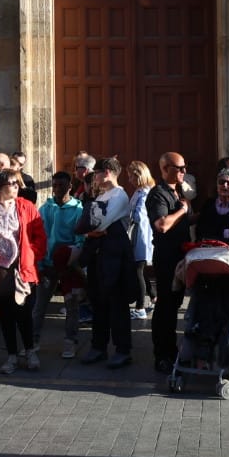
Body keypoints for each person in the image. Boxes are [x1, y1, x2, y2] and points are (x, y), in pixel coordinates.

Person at [0, 168, 46, 374]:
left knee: (24, 313)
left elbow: (40, 237)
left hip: (21, 269)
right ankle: (11, 355)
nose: (17, 187)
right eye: (12, 184)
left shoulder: (27, 207)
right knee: (6, 315)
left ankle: (30, 351)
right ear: (0, 187)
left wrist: (30, 255)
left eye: (18, 184)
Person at [78, 156, 136, 368]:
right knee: (98, 303)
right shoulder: (102, 195)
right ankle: (98, 346)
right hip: (98, 257)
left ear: (108, 172)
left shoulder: (119, 195)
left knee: (117, 305)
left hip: (115, 258)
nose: (95, 178)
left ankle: (123, 350)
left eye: (99, 173)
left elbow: (100, 225)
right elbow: (88, 227)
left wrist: (90, 232)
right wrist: (89, 233)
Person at [146, 152, 191, 373]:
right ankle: (162, 355)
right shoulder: (158, 195)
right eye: (179, 168)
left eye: (184, 167)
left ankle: (172, 350)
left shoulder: (177, 191)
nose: (184, 171)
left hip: (181, 257)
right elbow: (162, 225)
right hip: (166, 259)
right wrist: (183, 210)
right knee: (164, 306)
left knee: (173, 306)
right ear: (165, 169)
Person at [34, 171, 86, 359]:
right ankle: (33, 340)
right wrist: (39, 264)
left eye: (61, 186)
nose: (56, 189)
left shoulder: (78, 210)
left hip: (68, 265)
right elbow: (39, 237)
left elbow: (80, 240)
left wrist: (70, 260)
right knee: (40, 306)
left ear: (69, 187)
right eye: (54, 185)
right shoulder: (45, 209)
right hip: (47, 264)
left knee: (72, 306)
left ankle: (70, 341)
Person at [123, 161, 155, 320]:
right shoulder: (141, 192)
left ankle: (140, 307)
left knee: (138, 271)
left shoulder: (143, 194)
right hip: (141, 236)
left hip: (141, 237)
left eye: (131, 176)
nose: (129, 180)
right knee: (141, 270)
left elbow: (139, 217)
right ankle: (154, 296)